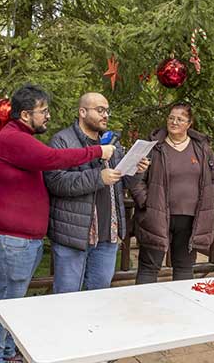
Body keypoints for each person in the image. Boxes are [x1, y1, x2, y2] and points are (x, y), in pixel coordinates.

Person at [0, 84, 115, 363]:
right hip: (11, 238)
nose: (48, 116)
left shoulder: (20, 137)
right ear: (26, 114)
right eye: (43, 111)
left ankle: (5, 353)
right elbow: (51, 159)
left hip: (21, 238)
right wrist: (97, 152)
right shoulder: (13, 138)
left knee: (11, 303)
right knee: (6, 305)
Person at [44, 92, 149, 294]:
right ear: (82, 112)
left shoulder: (112, 142)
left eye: (107, 110)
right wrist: (98, 178)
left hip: (107, 235)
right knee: (67, 296)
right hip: (73, 236)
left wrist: (138, 170)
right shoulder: (62, 141)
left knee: (99, 297)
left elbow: (124, 181)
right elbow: (56, 182)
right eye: (100, 110)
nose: (105, 115)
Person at [130, 102, 214, 284]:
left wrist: (212, 203)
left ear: (189, 123)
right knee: (149, 267)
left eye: (180, 119)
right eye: (171, 118)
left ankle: (181, 310)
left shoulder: (202, 148)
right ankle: (142, 309)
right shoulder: (154, 147)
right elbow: (136, 179)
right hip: (156, 216)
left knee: (184, 268)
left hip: (190, 220)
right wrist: (147, 203)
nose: (174, 122)